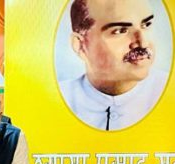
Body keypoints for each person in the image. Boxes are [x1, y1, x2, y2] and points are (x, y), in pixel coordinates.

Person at [59, 0, 168, 130]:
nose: (143, 43)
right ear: (80, 45)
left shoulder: (174, 94)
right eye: (120, 31)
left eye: (146, 24)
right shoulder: (57, 101)